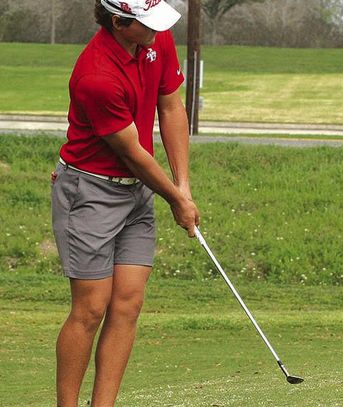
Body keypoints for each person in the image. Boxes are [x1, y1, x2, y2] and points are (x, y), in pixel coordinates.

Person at [50, 1, 199, 406]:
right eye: (147, 24)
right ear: (119, 22)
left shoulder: (155, 37)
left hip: (138, 192)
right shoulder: (96, 75)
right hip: (90, 192)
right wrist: (175, 199)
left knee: (128, 301)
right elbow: (132, 152)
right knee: (91, 309)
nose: (158, 30)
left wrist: (182, 187)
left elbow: (170, 107)